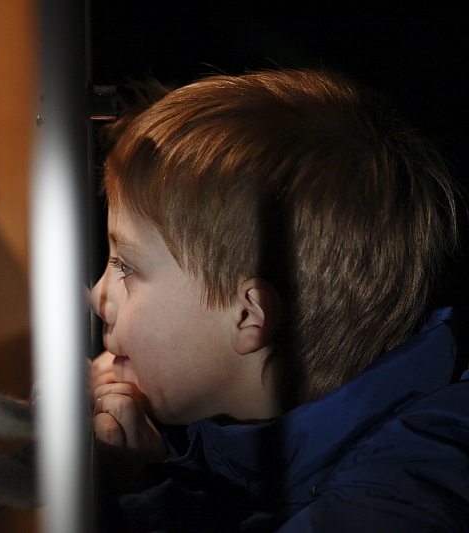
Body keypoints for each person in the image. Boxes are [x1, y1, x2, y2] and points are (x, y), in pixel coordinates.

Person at [88, 69, 468, 532]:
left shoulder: (402, 492)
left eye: (126, 267)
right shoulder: (267, 442)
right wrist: (154, 470)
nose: (97, 295)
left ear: (248, 315)